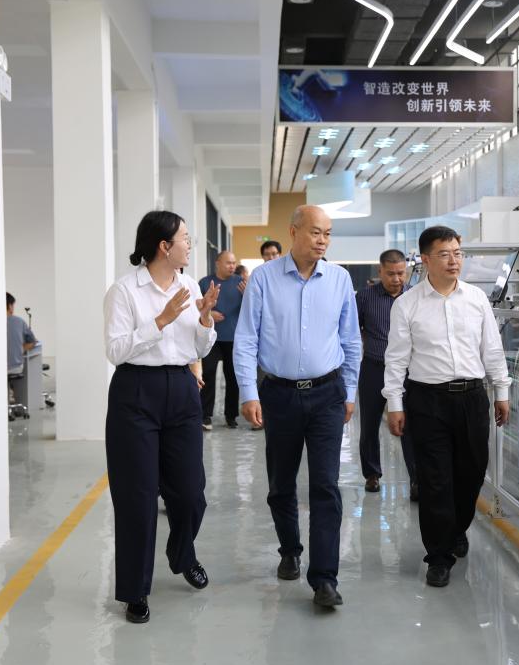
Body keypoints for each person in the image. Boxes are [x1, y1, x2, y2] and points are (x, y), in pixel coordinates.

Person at [234, 205, 361, 609]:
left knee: (325, 485)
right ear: (293, 232)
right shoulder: (264, 279)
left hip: (327, 394)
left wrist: (350, 392)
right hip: (279, 394)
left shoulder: (339, 280)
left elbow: (351, 340)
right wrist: (248, 392)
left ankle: (324, 578)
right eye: (315, 232)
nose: (323, 240)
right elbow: (246, 338)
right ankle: (289, 549)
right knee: (281, 483)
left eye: (328, 233)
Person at [103, 210, 220, 624]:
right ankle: (135, 590)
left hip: (182, 389)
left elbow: (199, 349)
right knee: (136, 498)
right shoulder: (124, 291)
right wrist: (161, 320)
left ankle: (181, 553)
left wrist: (204, 319)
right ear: (163, 246)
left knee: (190, 493)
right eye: (185, 238)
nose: (190, 244)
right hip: (136, 392)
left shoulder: (188, 285)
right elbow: (116, 350)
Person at [383, 225, 511, 588]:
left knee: (472, 472)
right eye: (444, 254)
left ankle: (456, 529)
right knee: (435, 479)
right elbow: (396, 358)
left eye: (457, 253)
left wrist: (501, 390)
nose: (453, 260)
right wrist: (394, 402)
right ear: (425, 260)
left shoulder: (476, 299)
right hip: (427, 400)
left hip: (472, 398)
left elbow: (492, 348)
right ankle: (438, 556)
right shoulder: (407, 304)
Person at [355, 249, 417, 498]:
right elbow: (353, 330)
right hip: (374, 368)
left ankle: (416, 479)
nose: (396, 279)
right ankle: (372, 474)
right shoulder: (365, 297)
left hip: (408, 371)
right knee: (369, 424)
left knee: (410, 425)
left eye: (401, 273)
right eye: (390, 274)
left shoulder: (414, 296)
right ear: (380, 271)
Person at [199, 251, 245, 431]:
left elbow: (252, 308)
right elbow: (195, 307)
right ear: (217, 263)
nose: (232, 266)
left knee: (232, 378)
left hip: (233, 338)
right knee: (208, 375)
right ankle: (205, 416)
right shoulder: (205, 282)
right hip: (211, 338)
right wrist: (209, 313)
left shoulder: (241, 283)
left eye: (234, 263)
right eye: (228, 263)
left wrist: (248, 294)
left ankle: (231, 416)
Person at [6, 292, 37, 375]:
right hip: (15, 368)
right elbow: (32, 342)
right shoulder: (19, 321)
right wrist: (19, 349)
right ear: (10, 306)